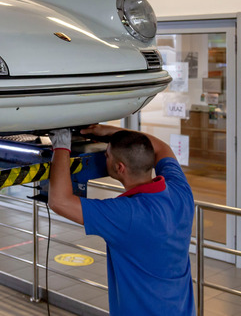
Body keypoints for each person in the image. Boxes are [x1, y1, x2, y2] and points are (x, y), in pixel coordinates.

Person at [48, 125, 195, 316]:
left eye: (107, 155)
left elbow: (59, 201)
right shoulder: (180, 191)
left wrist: (61, 146)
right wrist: (111, 132)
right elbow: (161, 148)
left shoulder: (127, 215)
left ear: (120, 167)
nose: (105, 157)